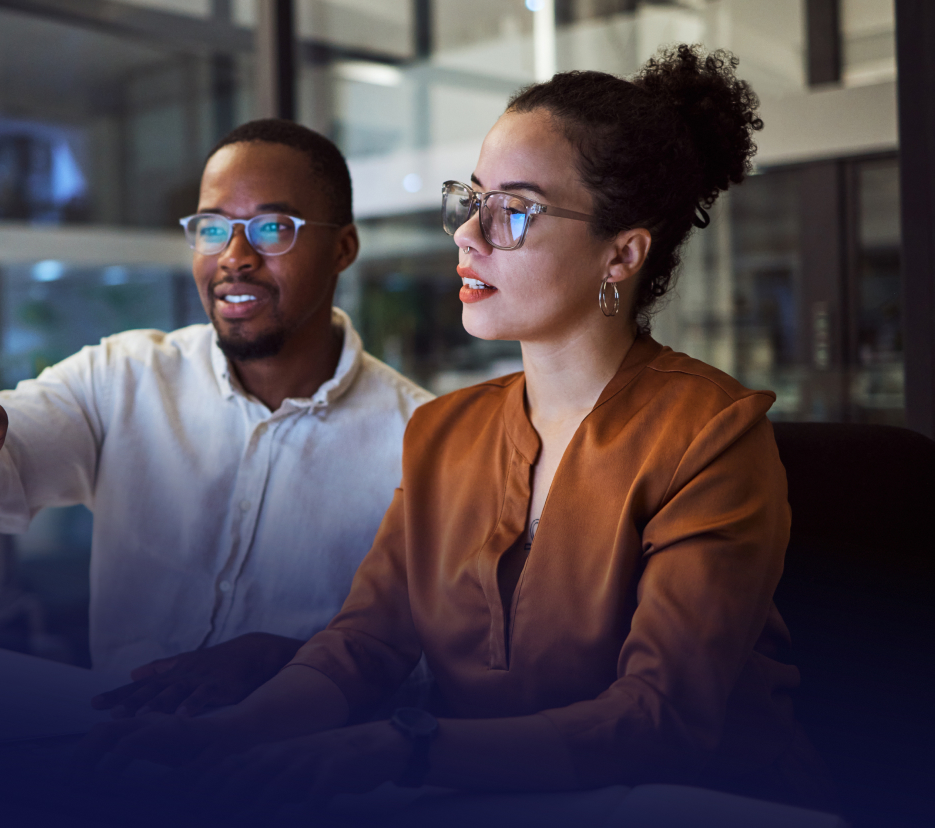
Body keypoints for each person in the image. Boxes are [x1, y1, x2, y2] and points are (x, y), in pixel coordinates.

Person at [81, 46, 834, 813]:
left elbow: (658, 720)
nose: (467, 234)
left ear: (621, 254)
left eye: (512, 210)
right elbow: (362, 646)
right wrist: (223, 734)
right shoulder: (444, 431)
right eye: (470, 200)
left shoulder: (711, 434)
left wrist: (403, 747)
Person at [0, 119, 433, 710]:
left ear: (343, 249)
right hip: (117, 744)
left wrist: (306, 664)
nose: (234, 257)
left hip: (301, 756)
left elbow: (445, 663)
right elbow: (10, 453)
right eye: (212, 228)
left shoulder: (423, 440)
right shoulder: (123, 374)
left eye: (272, 228)